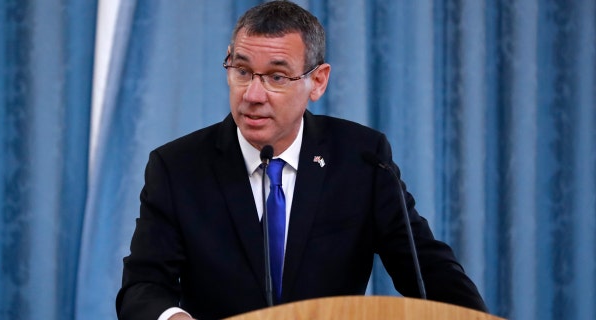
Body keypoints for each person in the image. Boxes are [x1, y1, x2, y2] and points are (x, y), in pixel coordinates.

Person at [116, 1, 488, 319]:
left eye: (277, 77)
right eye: (242, 71)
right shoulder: (178, 166)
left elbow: (427, 268)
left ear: (318, 82)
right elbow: (143, 286)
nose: (253, 94)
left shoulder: (362, 159)